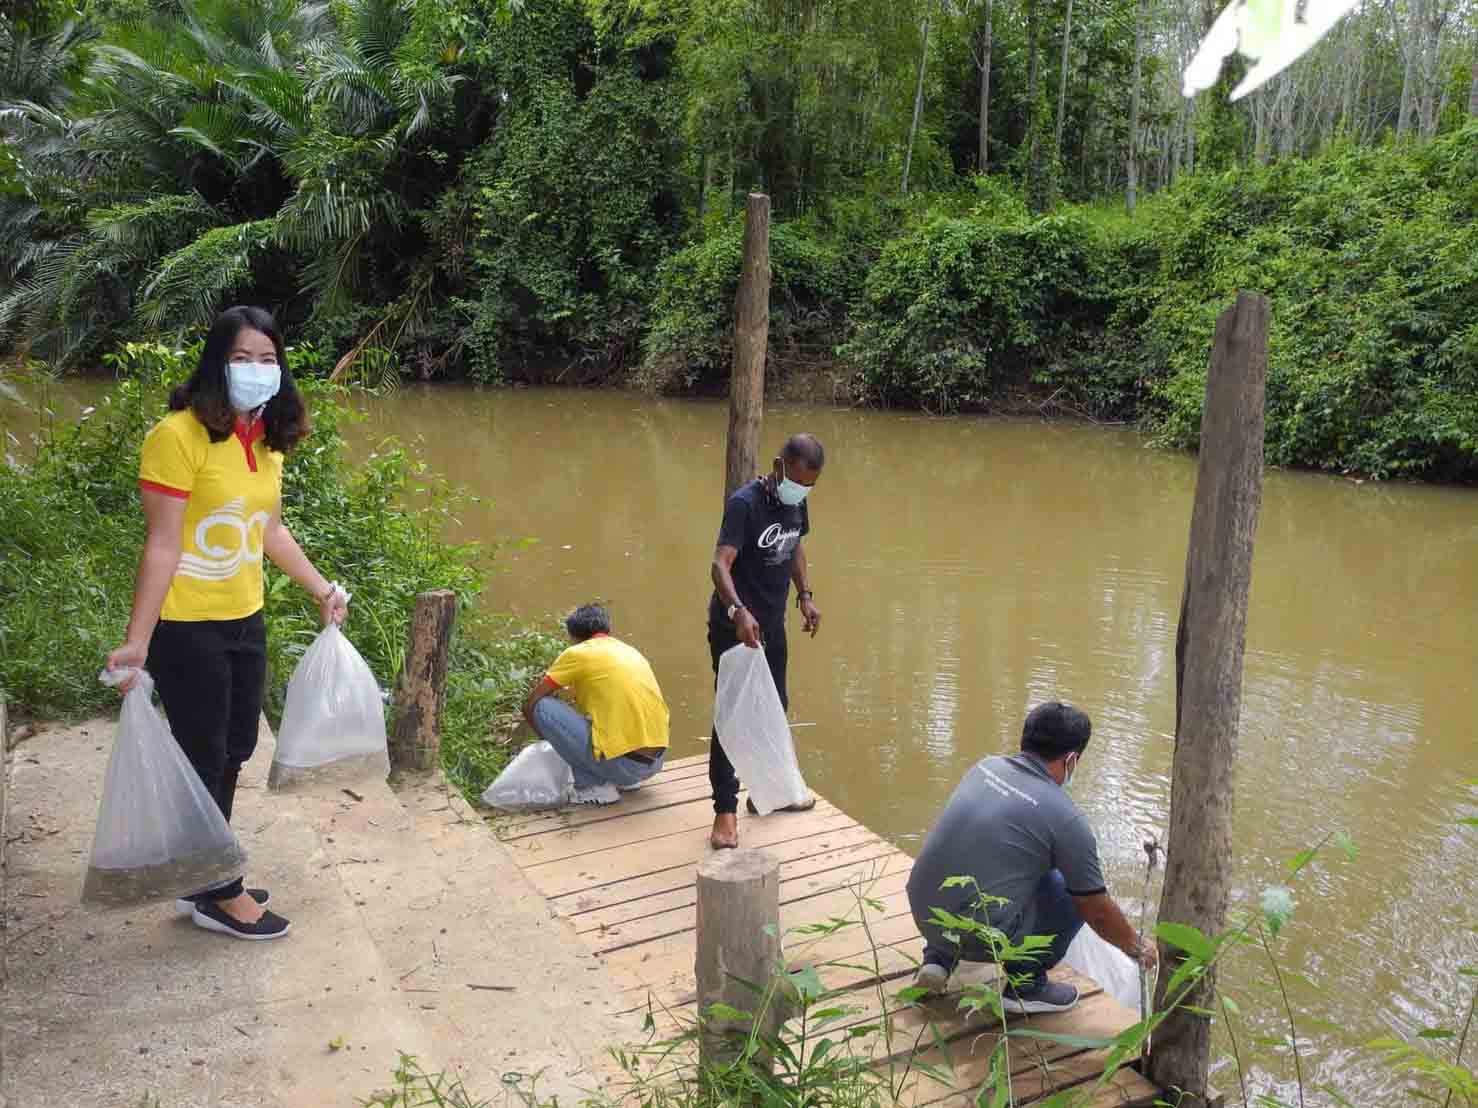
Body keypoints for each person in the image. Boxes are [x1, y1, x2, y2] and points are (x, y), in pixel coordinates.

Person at [105, 306, 348, 941]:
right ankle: (220, 890)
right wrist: (137, 640)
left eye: (269, 359)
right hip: (187, 626)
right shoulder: (177, 436)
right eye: (243, 358)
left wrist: (321, 587)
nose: (257, 370)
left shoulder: (262, 441)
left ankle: (204, 873)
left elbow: (267, 528)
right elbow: (161, 545)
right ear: (216, 363)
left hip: (246, 616)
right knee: (205, 752)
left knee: (237, 746)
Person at [905, 702, 1158, 1012]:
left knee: (982, 855)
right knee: (1073, 891)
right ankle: (1025, 987)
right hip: (974, 934)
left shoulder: (985, 767)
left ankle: (939, 960)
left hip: (922, 910)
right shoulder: (1066, 818)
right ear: (1071, 760)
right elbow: (1098, 911)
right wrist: (1136, 946)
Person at [706, 433, 825, 850]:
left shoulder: (797, 502)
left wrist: (805, 596)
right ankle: (724, 811)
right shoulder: (745, 504)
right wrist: (738, 611)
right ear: (778, 466)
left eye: (809, 485)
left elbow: (795, 549)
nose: (802, 490)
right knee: (733, 713)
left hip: (772, 624)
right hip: (734, 624)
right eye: (796, 481)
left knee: (776, 706)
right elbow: (720, 565)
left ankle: (766, 792)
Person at [522, 604, 670, 806]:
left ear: (573, 636)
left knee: (543, 707)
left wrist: (553, 742)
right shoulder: (628, 650)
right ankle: (622, 779)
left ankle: (593, 786)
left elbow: (531, 703)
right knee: (595, 718)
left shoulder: (577, 653)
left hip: (625, 765)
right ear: (607, 629)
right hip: (655, 762)